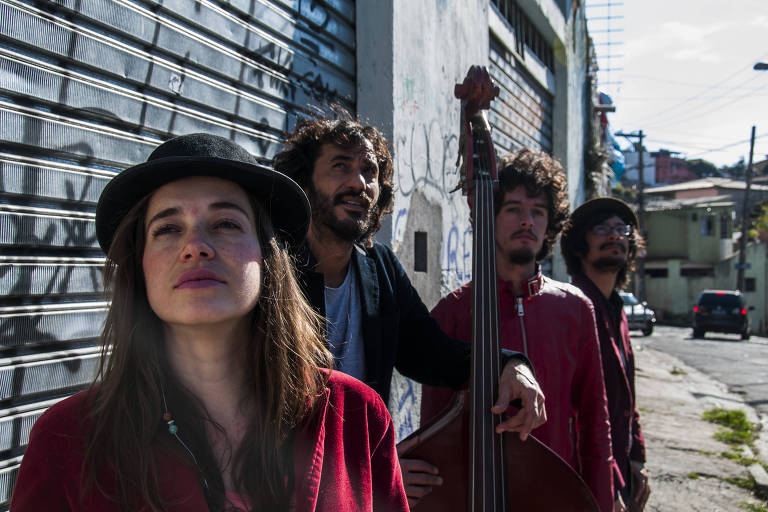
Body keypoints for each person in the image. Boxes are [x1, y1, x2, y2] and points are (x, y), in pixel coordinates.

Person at [11, 134, 408, 511]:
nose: (196, 246)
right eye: (167, 228)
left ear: (266, 257)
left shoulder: (356, 415)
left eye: (225, 224)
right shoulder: (67, 441)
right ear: (140, 266)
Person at [273, 116, 546, 506]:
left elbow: (433, 353)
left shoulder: (379, 266)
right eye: (340, 166)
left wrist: (510, 363)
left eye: (369, 171)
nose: (359, 183)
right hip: (279, 486)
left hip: (355, 491)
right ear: (304, 180)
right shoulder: (272, 265)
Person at [421, 148, 616, 512]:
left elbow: (595, 423)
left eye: (537, 212)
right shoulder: (452, 314)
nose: (527, 221)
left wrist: (601, 502)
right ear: (490, 217)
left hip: (556, 496)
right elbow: (434, 427)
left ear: (549, 225)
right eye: (513, 209)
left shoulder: (575, 309)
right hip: (475, 496)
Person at [561, 197, 650, 512]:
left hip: (622, 472)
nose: (614, 236)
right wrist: (606, 482)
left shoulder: (616, 309)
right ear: (578, 245)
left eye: (621, 229)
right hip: (588, 476)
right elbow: (574, 411)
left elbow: (627, 399)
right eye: (600, 229)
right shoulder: (571, 309)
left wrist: (637, 458)